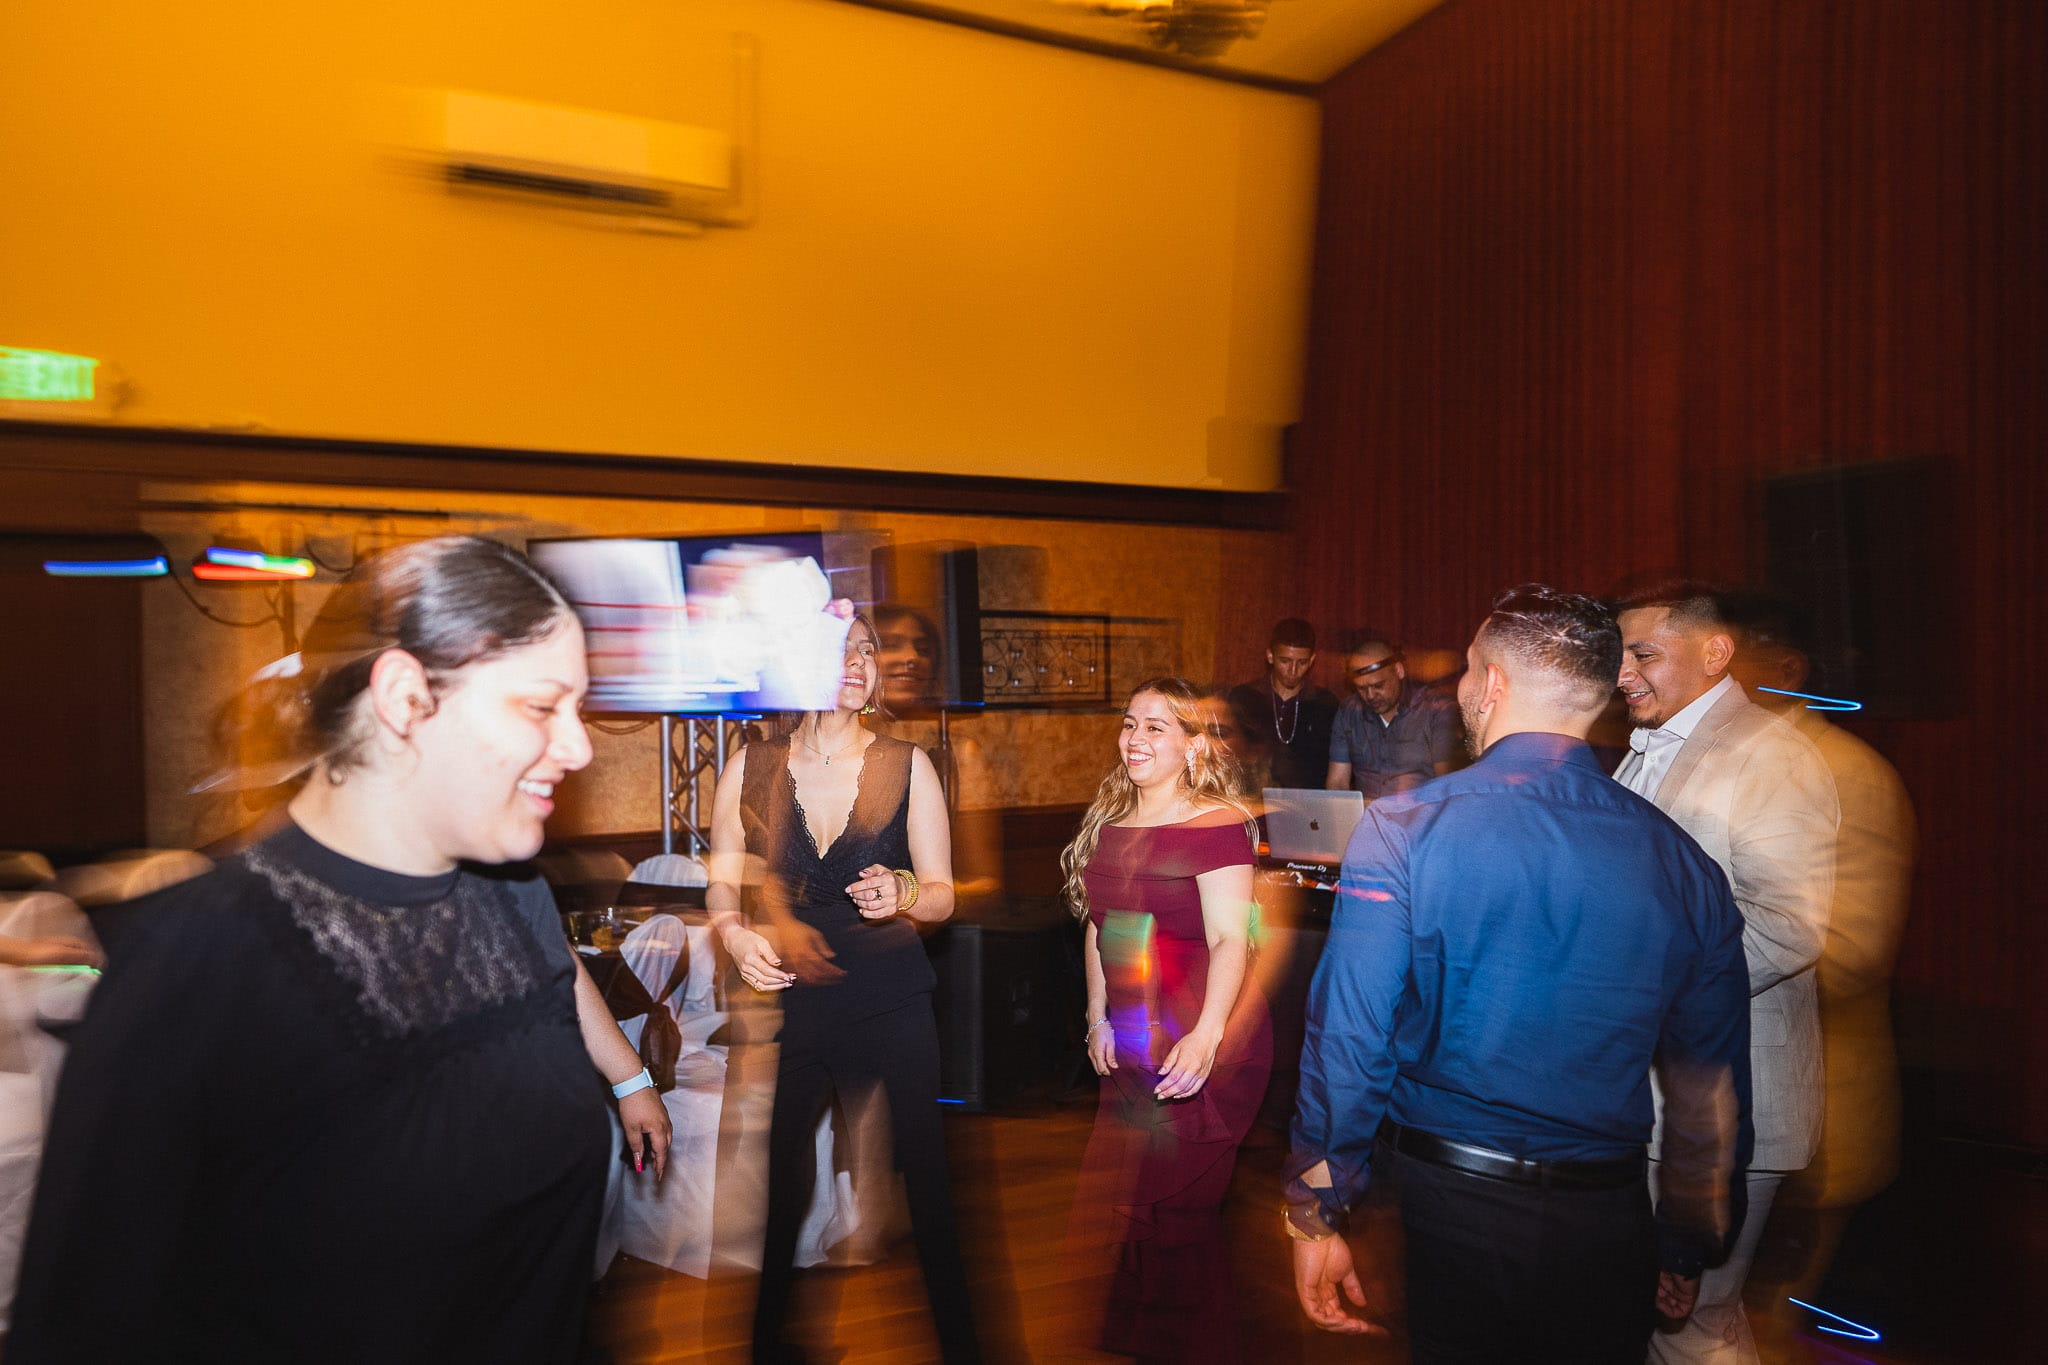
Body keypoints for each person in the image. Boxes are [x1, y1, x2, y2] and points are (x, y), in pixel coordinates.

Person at [8, 535, 671, 1364]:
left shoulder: (517, 900)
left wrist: (631, 1080)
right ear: (403, 696)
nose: (579, 747)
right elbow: (83, 1324)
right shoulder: (195, 958)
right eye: (542, 707)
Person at [1288, 585, 1753, 1363]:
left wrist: (1316, 1203)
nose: (1463, 687)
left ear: (1493, 683)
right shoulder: (1686, 865)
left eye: (1470, 668)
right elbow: (1712, 1082)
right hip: (1607, 1222)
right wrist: (1685, 1241)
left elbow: (1351, 1037)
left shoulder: (1404, 828)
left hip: (1445, 1214)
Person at [706, 613, 979, 1364]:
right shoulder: (751, 766)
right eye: (839, 649)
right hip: (801, 1003)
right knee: (784, 1187)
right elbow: (723, 883)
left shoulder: (907, 764)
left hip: (894, 998)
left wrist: (905, 891)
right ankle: (769, 1348)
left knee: (928, 1190)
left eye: (866, 649)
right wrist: (735, 935)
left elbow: (944, 893)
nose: (859, 660)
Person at [1614, 583, 1839, 1365]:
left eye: (1642, 653)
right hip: (1652, 1102)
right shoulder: (1645, 747)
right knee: (1658, 1323)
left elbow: (1789, 925)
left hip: (1731, 1103)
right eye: (1619, 655)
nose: (1621, 672)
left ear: (1715, 652)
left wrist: (1636, 994)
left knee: (1691, 1329)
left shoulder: (1771, 753)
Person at [1716, 590, 1916, 1338]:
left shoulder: (1845, 774)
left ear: (1786, 669)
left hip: (1810, 1116)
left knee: (1755, 1333)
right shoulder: (1730, 763)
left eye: (1728, 662)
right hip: (1727, 1114)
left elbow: (1852, 949)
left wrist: (1687, 963)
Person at [1060, 677, 1271, 1364]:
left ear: (1192, 744)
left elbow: (1231, 939)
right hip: (1133, 1040)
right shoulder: (1111, 823)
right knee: (1136, 1219)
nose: (1135, 738)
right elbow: (1101, 929)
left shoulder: (1216, 825)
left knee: (1181, 1218)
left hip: (1200, 1034)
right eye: (1130, 723)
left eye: (1156, 726)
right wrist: (1096, 1015)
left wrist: (1208, 1036)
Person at [1324, 631, 1461, 798]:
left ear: (1398, 670)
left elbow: (1447, 785)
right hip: (1367, 813)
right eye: (1361, 688)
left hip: (1421, 812)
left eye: (1378, 686)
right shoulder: (1349, 712)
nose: (1370, 695)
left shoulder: (1436, 709)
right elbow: (1337, 783)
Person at [1227, 618, 1338, 790]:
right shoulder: (1244, 698)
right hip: (1252, 798)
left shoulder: (1326, 703)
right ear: (1270, 656)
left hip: (1308, 801)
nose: (1293, 671)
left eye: (1302, 663)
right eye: (1285, 661)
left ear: (1312, 660)